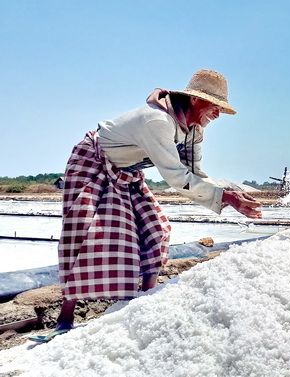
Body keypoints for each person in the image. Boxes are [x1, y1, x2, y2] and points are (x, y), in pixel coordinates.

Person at [30, 69, 262, 343]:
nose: (218, 115)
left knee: (155, 226)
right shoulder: (157, 121)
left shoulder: (194, 132)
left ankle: (145, 301)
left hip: (126, 171)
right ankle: (64, 320)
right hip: (92, 160)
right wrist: (225, 198)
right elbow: (176, 177)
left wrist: (230, 192)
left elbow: (195, 173)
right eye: (216, 107)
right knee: (84, 230)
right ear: (197, 101)